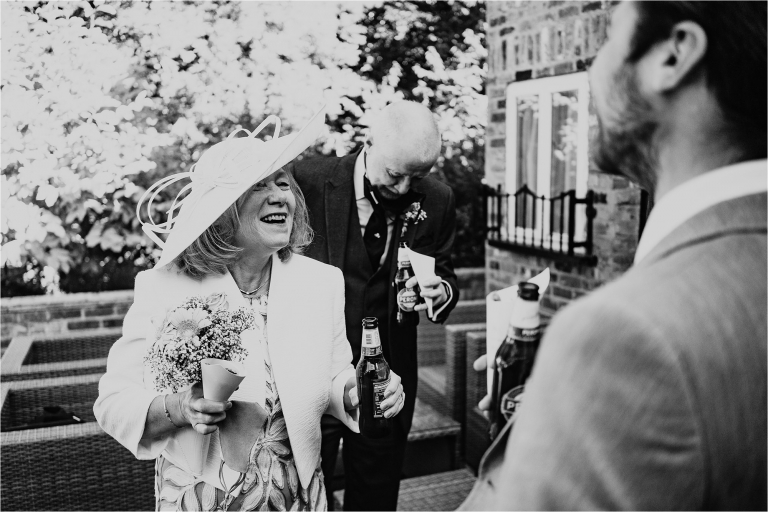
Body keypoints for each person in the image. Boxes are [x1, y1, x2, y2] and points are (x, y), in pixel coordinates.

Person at [461, 1, 767, 510]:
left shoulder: (624, 338)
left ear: (673, 55)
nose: (591, 70)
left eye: (609, 36)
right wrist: (565, 411)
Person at [94, 107, 406, 511]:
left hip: (297, 495)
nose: (282, 196)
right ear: (222, 211)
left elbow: (334, 375)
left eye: (284, 184)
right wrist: (180, 408)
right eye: (260, 186)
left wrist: (355, 392)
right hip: (203, 497)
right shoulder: (164, 287)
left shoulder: (321, 282)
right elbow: (114, 403)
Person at [290, 101, 460, 510]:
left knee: (377, 492)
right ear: (369, 143)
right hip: (311, 369)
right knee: (304, 489)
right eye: (395, 174)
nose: (404, 188)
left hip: (390, 377)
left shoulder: (438, 200)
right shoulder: (307, 179)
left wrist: (441, 293)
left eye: (417, 177)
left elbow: (447, 272)